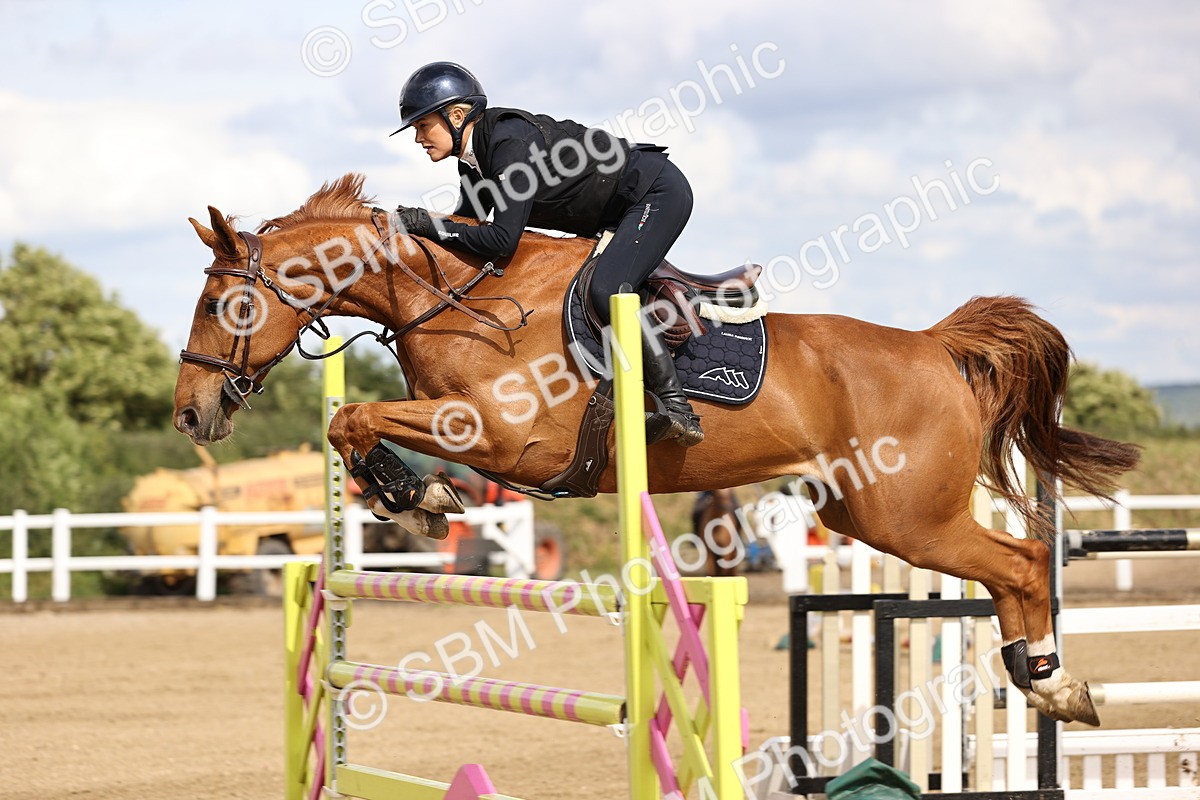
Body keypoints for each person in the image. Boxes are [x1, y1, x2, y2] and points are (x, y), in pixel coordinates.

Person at [390, 61, 703, 447]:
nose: (418, 138)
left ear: (456, 115)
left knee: (608, 290)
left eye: (422, 125)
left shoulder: (508, 143)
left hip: (653, 194)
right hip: (615, 213)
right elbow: (466, 228)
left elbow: (502, 240)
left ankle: (677, 408)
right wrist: (410, 239)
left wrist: (428, 224)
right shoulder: (474, 162)